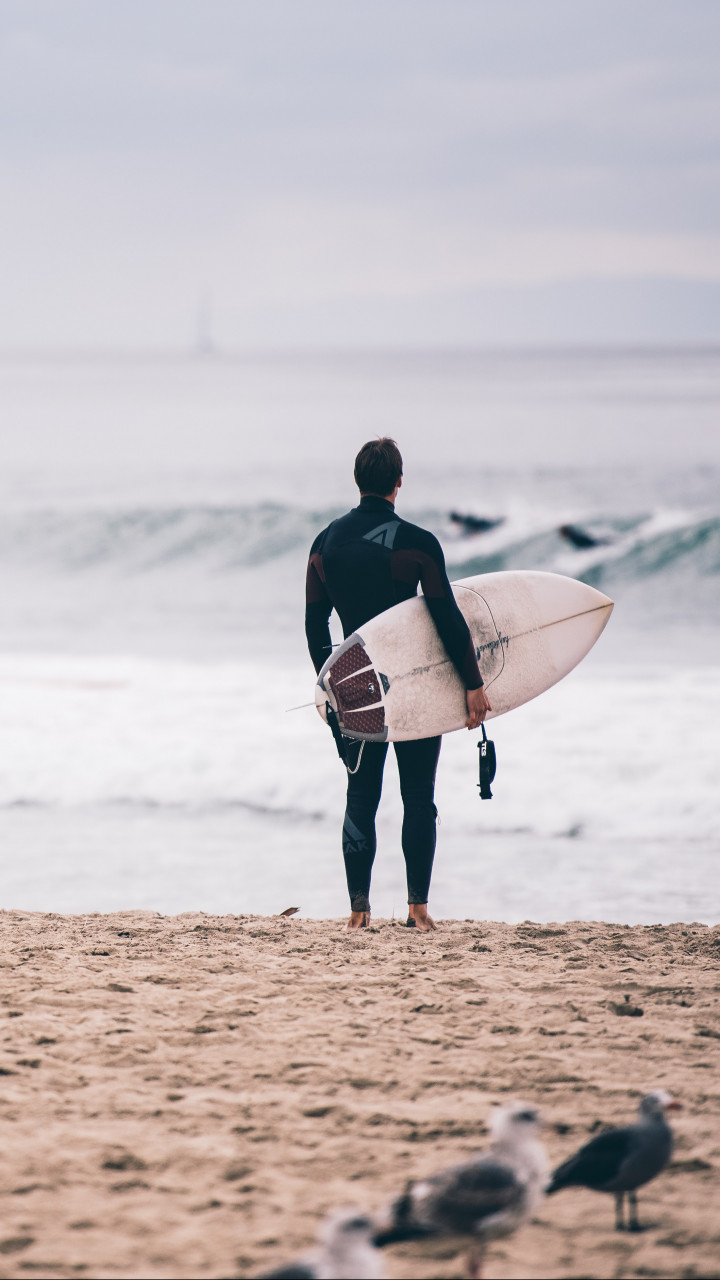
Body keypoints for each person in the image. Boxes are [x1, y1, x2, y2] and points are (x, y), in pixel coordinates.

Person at [305, 438, 491, 933]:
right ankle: (417, 910)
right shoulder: (416, 542)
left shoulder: (324, 543)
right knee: (418, 796)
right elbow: (446, 618)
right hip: (411, 685)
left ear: (357, 480)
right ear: (399, 481)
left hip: (359, 687)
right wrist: (472, 684)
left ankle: (359, 912)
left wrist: (331, 684)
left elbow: (314, 624)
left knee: (361, 796)